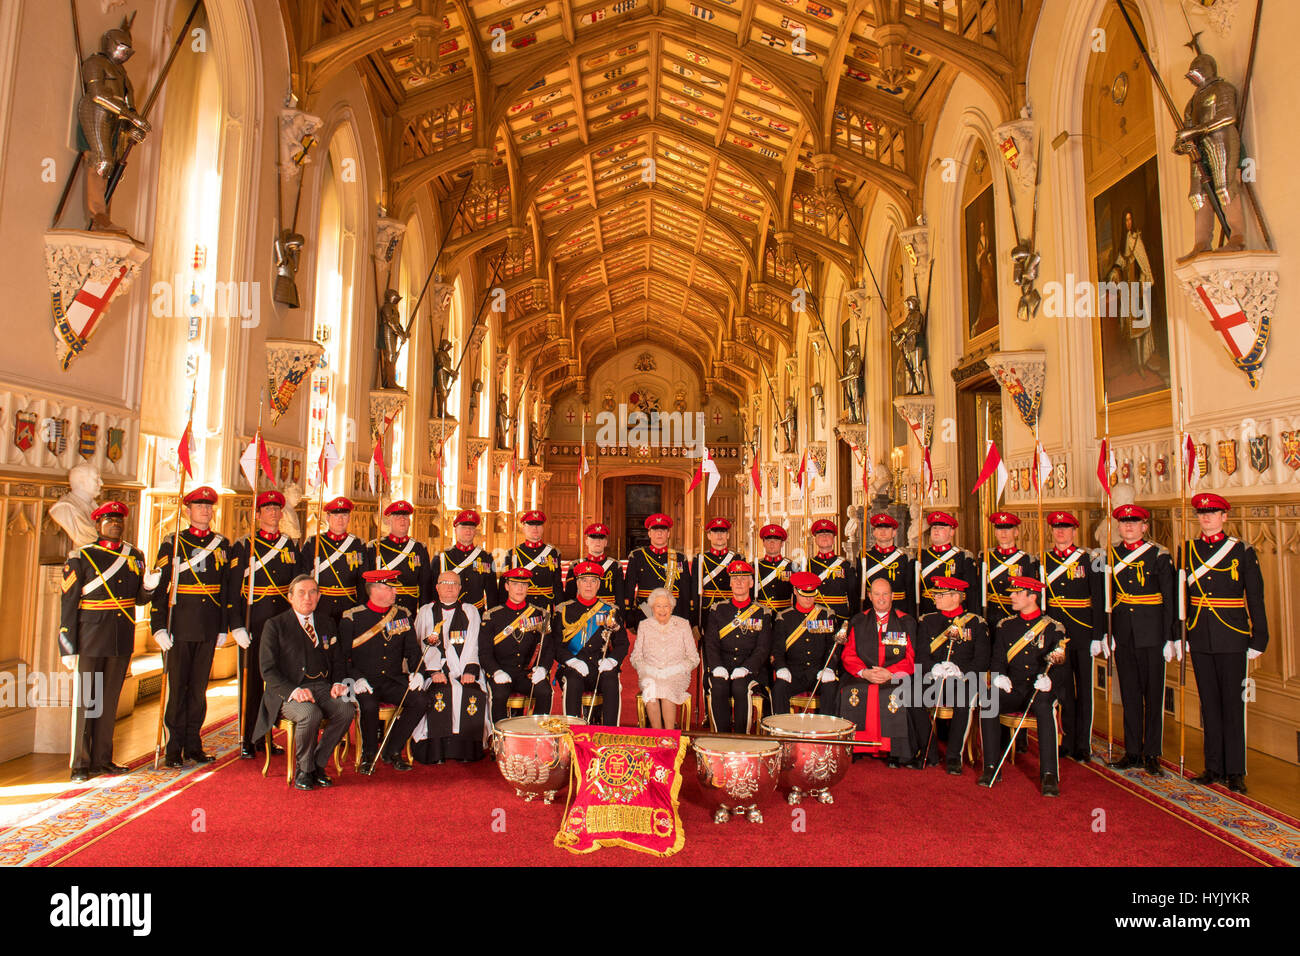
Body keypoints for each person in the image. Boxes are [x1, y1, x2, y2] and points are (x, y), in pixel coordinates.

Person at [59, 501, 159, 781]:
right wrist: (67, 646)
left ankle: (103, 759)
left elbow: (138, 599)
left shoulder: (135, 555)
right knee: (87, 701)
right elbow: (68, 604)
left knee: (109, 700)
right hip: (90, 638)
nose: (115, 524)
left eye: (119, 520)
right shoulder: (82, 557)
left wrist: (149, 588)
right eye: (109, 520)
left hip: (121, 637)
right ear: (97, 525)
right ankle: (80, 763)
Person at [1181, 493, 1268, 794]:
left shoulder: (1241, 551)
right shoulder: (1188, 550)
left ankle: (1235, 770)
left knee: (1233, 705)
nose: (1206, 518)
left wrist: (1260, 637)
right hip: (1200, 635)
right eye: (1202, 514)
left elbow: (1255, 597)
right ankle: (1213, 766)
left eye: (1213, 513)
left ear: (1224, 517)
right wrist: (1182, 636)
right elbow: (1182, 599)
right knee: (1209, 704)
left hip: (1232, 636)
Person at [150, 485, 232, 768]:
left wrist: (223, 627)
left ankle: (194, 743)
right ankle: (174, 748)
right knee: (177, 690)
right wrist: (158, 626)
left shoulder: (222, 544)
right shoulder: (172, 543)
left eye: (209, 507)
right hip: (178, 626)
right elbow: (160, 588)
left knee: (198, 691)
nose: (205, 511)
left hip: (208, 627)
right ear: (187, 511)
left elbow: (225, 590)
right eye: (199, 506)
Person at [253, 575, 354, 791]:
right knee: (310, 713)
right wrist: (293, 691)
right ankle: (304, 770)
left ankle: (317, 764)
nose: (307, 597)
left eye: (312, 592)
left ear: (318, 596)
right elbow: (267, 670)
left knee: (346, 710)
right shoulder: (275, 625)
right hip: (289, 691)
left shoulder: (327, 622)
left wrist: (338, 682)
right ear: (290, 597)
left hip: (323, 687)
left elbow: (337, 659)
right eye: (301, 592)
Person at [228, 489, 301, 759]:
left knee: (276, 683)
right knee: (252, 684)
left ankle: (267, 736)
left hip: (281, 624)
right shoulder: (244, 546)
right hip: (254, 622)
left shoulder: (289, 546)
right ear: (257, 515)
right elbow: (234, 589)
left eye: (276, 509)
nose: (272, 513)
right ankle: (247, 737)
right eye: (267, 509)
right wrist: (236, 625)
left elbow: (296, 586)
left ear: (281, 514)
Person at [978, 577, 1066, 797]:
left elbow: (1062, 666)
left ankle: (1049, 774)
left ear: (1032, 596)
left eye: (1017, 593)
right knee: (989, 700)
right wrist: (999, 677)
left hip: (1039, 689)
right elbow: (997, 658)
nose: (1011, 597)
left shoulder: (1054, 628)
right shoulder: (1006, 626)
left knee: (1046, 709)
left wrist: (1049, 681)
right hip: (1013, 689)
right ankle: (990, 766)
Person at [1105, 503, 1176, 775]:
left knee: (1153, 695)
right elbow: (1106, 599)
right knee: (1130, 695)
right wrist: (1107, 632)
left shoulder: (1158, 555)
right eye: (1124, 523)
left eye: (1134, 522)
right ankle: (1132, 751)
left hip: (1153, 633)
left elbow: (1169, 598)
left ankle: (1152, 753)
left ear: (1144, 527)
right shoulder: (1110, 556)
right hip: (1124, 633)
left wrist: (1172, 637)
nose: (1129, 527)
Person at [338, 569, 429, 773]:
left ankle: (392, 750)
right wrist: (356, 679)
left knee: (421, 700)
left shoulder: (402, 615)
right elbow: (343, 657)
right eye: (389, 587)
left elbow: (413, 651)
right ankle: (368, 754)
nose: (394, 591)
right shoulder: (352, 618)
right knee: (369, 707)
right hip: (364, 682)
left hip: (392, 680)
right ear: (374, 590)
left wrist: (418, 672)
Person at [1042, 511, 1105, 763]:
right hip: (1057, 635)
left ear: (1074, 531)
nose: (1061, 532)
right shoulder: (1043, 560)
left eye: (1066, 528)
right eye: (1057, 528)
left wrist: (1099, 635)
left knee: (1085, 689)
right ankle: (1066, 740)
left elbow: (1099, 599)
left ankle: (1083, 743)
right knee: (1064, 689)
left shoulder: (1092, 559)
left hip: (1084, 632)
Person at [914, 577, 989, 775]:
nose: (935, 598)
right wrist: (933, 667)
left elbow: (982, 660)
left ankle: (954, 755)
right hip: (934, 677)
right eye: (936, 594)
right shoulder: (927, 621)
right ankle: (929, 751)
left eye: (940, 594)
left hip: (963, 680)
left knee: (964, 700)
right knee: (911, 697)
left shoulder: (976, 622)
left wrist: (961, 673)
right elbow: (920, 656)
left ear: (956, 597)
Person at [412, 571, 487, 764]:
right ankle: (436, 753)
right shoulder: (425, 612)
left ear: (460, 588)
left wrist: (470, 670)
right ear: (436, 587)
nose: (450, 586)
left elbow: (474, 644)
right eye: (444, 582)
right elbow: (419, 646)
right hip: (432, 671)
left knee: (472, 692)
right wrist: (434, 671)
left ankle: (467, 753)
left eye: (454, 583)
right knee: (440, 692)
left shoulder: (470, 611)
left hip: (464, 669)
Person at [840, 577, 916, 766]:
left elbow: (911, 658)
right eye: (877, 594)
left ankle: (894, 751)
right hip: (864, 675)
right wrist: (864, 672)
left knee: (892, 693)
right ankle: (856, 747)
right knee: (851, 691)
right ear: (870, 596)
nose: (881, 598)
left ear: (892, 596)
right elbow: (848, 654)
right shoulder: (858, 620)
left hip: (894, 676)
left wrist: (890, 673)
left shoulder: (906, 621)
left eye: (885, 594)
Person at [554, 561, 626, 725]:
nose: (588, 585)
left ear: (599, 585)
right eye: (584, 581)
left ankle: (609, 734)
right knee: (573, 682)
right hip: (574, 666)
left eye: (593, 581)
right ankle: (573, 734)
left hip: (601, 665)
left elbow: (622, 643)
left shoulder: (610, 610)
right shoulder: (564, 610)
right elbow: (556, 645)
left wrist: (612, 660)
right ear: (577, 583)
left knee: (611, 680)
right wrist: (572, 661)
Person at [703, 561, 772, 733]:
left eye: (744, 578)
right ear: (730, 583)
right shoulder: (717, 609)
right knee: (718, 687)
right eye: (735, 578)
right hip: (723, 666)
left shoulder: (762, 612)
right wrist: (717, 666)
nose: (739, 582)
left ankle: (743, 738)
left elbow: (763, 647)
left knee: (741, 687)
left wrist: (747, 668)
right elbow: (711, 642)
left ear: (751, 583)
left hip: (750, 670)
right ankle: (723, 737)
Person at [480, 568, 553, 721]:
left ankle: (537, 736)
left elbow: (548, 648)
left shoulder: (540, 614)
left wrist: (543, 669)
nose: (520, 589)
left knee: (545, 691)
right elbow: (484, 652)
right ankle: (500, 739)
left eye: (524, 584)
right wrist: (495, 671)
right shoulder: (492, 616)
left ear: (528, 587)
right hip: (502, 672)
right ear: (507, 586)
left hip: (528, 673)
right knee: (499, 695)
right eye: (515, 584)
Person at [771, 572, 843, 715]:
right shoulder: (784, 617)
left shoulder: (826, 615)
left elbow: (833, 646)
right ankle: (782, 731)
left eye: (812, 594)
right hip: (793, 673)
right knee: (778, 689)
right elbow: (777, 649)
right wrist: (781, 667)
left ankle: (825, 733)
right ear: (795, 591)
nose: (809, 599)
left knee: (832, 688)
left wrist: (829, 668)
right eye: (804, 594)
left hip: (819, 672)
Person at [628, 587, 698, 729]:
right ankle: (657, 734)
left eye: (666, 606)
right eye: (658, 606)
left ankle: (669, 735)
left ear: (672, 607)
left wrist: (674, 669)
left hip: (676, 674)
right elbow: (636, 657)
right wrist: (648, 670)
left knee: (665, 689)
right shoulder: (644, 625)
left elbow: (694, 658)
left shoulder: (683, 625)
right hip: (650, 673)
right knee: (650, 688)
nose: (662, 610)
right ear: (652, 608)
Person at [298, 495, 365, 628]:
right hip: (320, 604)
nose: (340, 519)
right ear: (327, 518)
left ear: (349, 518)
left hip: (349, 605)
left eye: (344, 515)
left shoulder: (358, 544)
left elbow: (363, 581)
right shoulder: (314, 543)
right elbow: (302, 576)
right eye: (335, 515)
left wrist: (360, 608)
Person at [624, 513, 690, 632]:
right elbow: (629, 587)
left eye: (663, 530)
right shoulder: (637, 556)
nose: (659, 533)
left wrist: (686, 616)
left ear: (668, 534)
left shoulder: (679, 558)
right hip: (645, 611)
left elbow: (685, 590)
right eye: (655, 530)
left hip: (674, 612)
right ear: (649, 533)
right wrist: (629, 615)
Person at [365, 500, 430, 617]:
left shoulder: (419, 548)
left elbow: (425, 584)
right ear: (389, 521)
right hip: (383, 605)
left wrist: (424, 612)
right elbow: (368, 582)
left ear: (410, 521)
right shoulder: (376, 547)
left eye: (405, 517)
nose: (402, 520)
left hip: (409, 605)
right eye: (397, 517)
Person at [983, 512, 1039, 632]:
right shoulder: (985, 557)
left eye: (1008, 529)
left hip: (1015, 614)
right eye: (999, 529)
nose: (1003, 533)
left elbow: (1031, 592)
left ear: (1016, 532)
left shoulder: (1026, 560)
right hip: (990, 613)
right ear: (995, 532)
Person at [916, 511, 979, 618]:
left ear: (952, 532)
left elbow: (971, 593)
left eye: (942, 528)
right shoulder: (921, 555)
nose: (936, 531)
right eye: (934, 527)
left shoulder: (963, 557)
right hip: (927, 613)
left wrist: (972, 617)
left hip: (954, 614)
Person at [436, 509, 498, 614]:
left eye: (471, 527)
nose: (468, 530)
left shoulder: (485, 557)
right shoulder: (442, 557)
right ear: (455, 530)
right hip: (448, 612)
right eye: (464, 527)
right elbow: (434, 589)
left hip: (477, 612)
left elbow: (492, 592)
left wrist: (491, 616)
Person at [689, 517, 743, 628]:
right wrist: (694, 620)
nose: (719, 535)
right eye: (715, 532)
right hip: (706, 610)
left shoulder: (738, 558)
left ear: (728, 535)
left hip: (731, 608)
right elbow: (694, 589)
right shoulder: (700, 558)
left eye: (723, 532)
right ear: (709, 536)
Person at [862, 512, 916, 618]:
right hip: (871, 611)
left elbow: (910, 591)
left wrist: (911, 617)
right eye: (879, 528)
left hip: (898, 611)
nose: (883, 531)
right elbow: (859, 590)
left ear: (894, 532)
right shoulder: (864, 557)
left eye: (887, 528)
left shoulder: (905, 557)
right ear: (874, 532)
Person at [507, 510, 563, 611]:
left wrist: (560, 610)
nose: (535, 528)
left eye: (538, 525)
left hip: (546, 606)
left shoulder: (553, 553)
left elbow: (557, 584)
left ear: (543, 528)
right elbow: (505, 586)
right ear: (523, 528)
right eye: (531, 525)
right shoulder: (513, 553)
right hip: (522, 605)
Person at [807, 519, 859, 624]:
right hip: (815, 617)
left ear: (834, 539)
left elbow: (853, 596)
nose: (824, 536)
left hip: (840, 617)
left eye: (828, 534)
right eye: (820, 534)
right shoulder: (808, 566)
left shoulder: (846, 565)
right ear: (815, 539)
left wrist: (853, 621)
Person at [562, 522, 625, 607]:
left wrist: (619, 617)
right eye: (593, 538)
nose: (597, 541)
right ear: (586, 542)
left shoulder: (615, 566)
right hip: (582, 613)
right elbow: (570, 596)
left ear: (606, 542)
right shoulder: (576, 565)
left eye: (601, 538)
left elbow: (620, 597)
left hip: (607, 612)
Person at [754, 524, 793, 613]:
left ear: (782, 543)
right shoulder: (755, 566)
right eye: (768, 540)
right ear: (763, 543)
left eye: (776, 540)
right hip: (761, 613)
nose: (772, 543)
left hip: (784, 614)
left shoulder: (791, 566)